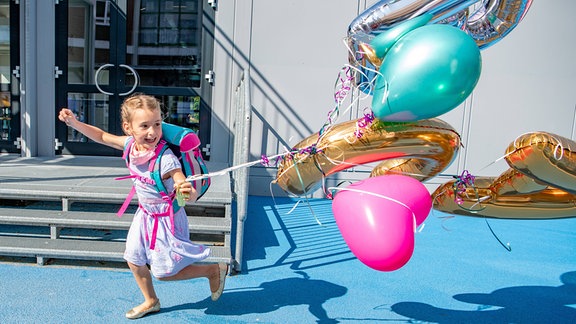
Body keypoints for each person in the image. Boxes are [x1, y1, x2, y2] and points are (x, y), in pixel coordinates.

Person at [58, 94, 227, 320]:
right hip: (144, 215)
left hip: (166, 221)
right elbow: (101, 136)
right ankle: (151, 301)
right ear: (128, 128)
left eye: (157, 124)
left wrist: (184, 188)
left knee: (164, 273)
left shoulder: (166, 158)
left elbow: (179, 179)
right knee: (134, 259)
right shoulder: (130, 145)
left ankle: (212, 270)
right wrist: (75, 123)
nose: (152, 132)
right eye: (145, 125)